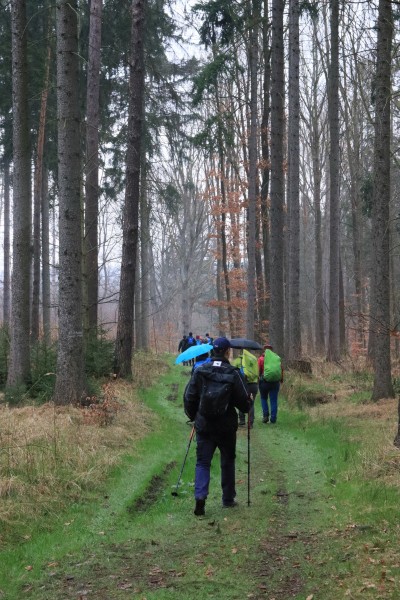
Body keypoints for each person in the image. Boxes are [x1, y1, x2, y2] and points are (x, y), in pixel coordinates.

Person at [184, 337, 250, 516]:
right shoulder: (234, 373)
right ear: (227, 351)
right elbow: (244, 403)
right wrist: (248, 402)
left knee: (203, 462)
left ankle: (200, 498)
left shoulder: (200, 370)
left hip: (205, 425)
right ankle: (228, 499)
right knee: (227, 461)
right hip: (226, 427)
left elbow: (189, 397)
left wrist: (194, 416)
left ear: (213, 351)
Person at [232, 349, 258, 428]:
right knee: (251, 403)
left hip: (242, 384)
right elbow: (257, 372)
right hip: (253, 385)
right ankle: (250, 422)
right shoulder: (253, 360)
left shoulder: (237, 361)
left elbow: (232, 372)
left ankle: (242, 420)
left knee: (241, 401)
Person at [258, 344, 283, 424]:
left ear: (264, 350)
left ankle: (265, 416)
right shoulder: (276, 358)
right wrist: (281, 380)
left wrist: (258, 378)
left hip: (264, 382)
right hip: (275, 383)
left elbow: (258, 370)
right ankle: (273, 418)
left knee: (263, 398)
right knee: (273, 400)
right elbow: (281, 370)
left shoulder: (261, 359)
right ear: (271, 350)